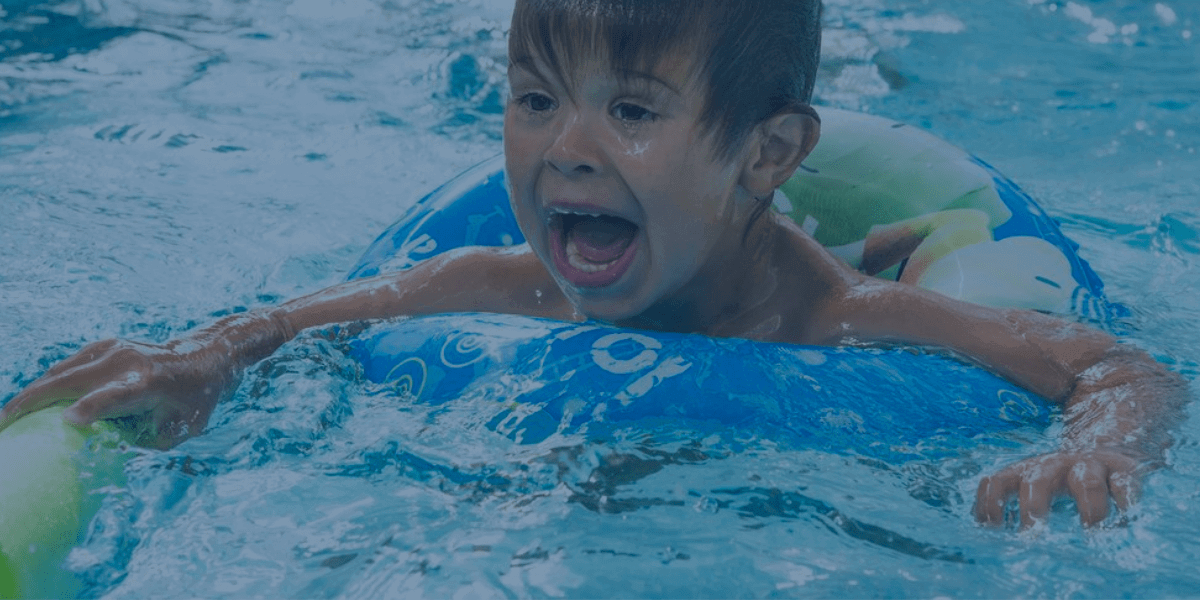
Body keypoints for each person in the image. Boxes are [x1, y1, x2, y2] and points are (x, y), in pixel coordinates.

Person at [0, 0, 1185, 529]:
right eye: (531, 99)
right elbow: (333, 311)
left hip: (858, 239)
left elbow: (1123, 369)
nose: (564, 149)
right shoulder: (504, 278)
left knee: (885, 232)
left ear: (768, 153)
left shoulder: (852, 320)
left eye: (629, 109)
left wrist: (1095, 449)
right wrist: (205, 357)